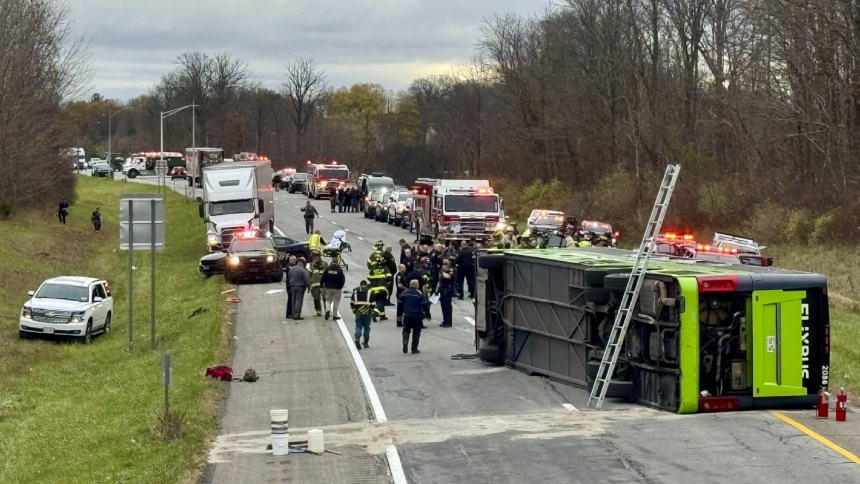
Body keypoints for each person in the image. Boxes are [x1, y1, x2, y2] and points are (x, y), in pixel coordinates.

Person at [399, 280, 430, 354]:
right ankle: (414, 349)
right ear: (417, 285)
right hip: (417, 315)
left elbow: (399, 305)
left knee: (406, 329)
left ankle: (405, 341)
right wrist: (428, 315)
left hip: (407, 314)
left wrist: (399, 315)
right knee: (416, 332)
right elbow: (424, 304)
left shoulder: (404, 293)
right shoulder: (419, 293)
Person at [350, 280, 375, 349]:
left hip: (358, 313)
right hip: (367, 313)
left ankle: (357, 337)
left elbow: (352, 302)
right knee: (367, 328)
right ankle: (366, 343)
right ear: (366, 285)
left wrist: (354, 310)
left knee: (358, 326)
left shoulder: (355, 292)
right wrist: (371, 311)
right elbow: (373, 304)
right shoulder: (370, 292)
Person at [435, 259, 455, 328]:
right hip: (442, 291)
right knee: (443, 307)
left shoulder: (451, 271)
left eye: (445, 266)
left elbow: (448, 277)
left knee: (447, 307)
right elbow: (439, 281)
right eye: (443, 266)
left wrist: (442, 272)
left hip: (447, 291)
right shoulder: (442, 272)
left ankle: (449, 322)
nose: (443, 267)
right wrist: (436, 290)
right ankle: (445, 321)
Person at [309, 253, 327, 317]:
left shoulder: (325, 264)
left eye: (315, 257)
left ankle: (327, 310)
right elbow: (309, 274)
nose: (314, 258)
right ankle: (318, 311)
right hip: (314, 285)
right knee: (316, 299)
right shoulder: (311, 265)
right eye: (313, 257)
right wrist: (309, 283)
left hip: (324, 285)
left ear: (319, 257)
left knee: (325, 299)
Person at [394, 264, 408, 328]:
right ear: (399, 269)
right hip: (400, 293)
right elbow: (399, 285)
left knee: (405, 307)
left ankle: (405, 321)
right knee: (400, 308)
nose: (404, 269)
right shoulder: (399, 276)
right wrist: (406, 289)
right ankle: (399, 322)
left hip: (404, 293)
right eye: (403, 268)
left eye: (404, 268)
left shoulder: (404, 275)